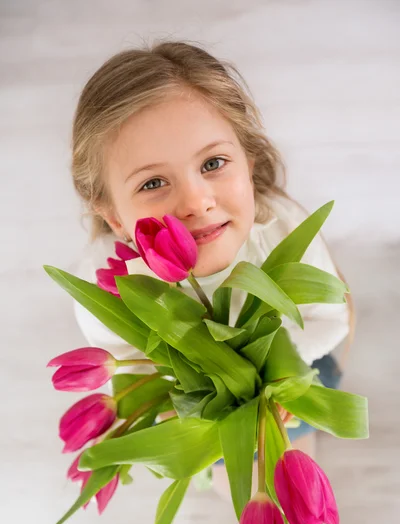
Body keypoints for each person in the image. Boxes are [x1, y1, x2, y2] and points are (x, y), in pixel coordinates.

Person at [70, 41, 352, 499]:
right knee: (234, 483)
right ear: (114, 216)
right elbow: (129, 364)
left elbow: (335, 318)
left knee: (299, 459)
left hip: (292, 376)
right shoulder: (110, 290)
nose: (197, 202)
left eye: (214, 163)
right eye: (153, 183)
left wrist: (272, 378)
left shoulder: (278, 232)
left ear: (249, 159)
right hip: (201, 411)